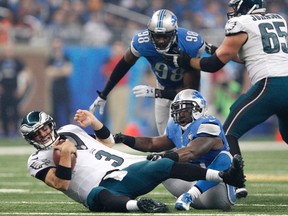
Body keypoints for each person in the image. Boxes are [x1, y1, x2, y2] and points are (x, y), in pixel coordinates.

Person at [163, 0, 288, 199]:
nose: (233, 12)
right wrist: (215, 49)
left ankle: (237, 182)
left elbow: (213, 65)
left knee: (228, 133)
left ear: (248, 6)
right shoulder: (278, 19)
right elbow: (249, 54)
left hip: (269, 85)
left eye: (235, 7)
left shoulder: (242, 23)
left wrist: (185, 61)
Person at [20, 109, 245, 213]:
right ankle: (141, 206)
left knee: (163, 163)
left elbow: (106, 142)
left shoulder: (70, 130)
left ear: (51, 125)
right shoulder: (36, 160)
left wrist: (95, 123)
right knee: (98, 196)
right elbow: (61, 184)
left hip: (126, 168)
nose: (42, 135)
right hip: (101, 187)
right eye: (36, 134)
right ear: (30, 139)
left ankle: (225, 176)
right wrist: (66, 155)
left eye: (44, 129)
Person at [113, 89, 238, 211]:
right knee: (158, 165)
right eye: (178, 109)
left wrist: (164, 157)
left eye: (185, 110)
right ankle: (128, 195)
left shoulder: (208, 124)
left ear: (198, 109)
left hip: (216, 192)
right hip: (190, 184)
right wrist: (125, 139)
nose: (180, 114)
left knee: (225, 157)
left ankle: (189, 196)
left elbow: (192, 152)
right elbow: (152, 144)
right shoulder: (175, 126)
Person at [89, 9, 207, 135]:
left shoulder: (190, 44)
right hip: (163, 84)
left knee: (187, 135)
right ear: (150, 34)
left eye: (165, 36)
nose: (161, 40)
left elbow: (188, 91)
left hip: (184, 89)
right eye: (157, 36)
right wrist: (104, 94)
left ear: (174, 33)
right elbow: (124, 65)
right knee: (165, 135)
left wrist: (155, 92)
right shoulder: (143, 43)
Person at [0, 43, 29, 137]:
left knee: (15, 112)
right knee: (3, 111)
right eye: (7, 50)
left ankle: (16, 132)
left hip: (14, 90)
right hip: (4, 91)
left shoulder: (17, 62)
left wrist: (21, 88)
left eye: (10, 50)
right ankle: (5, 131)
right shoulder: (2, 62)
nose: (8, 52)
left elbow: (25, 74)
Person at [45, 38, 72, 126]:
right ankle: (56, 129)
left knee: (67, 109)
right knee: (54, 110)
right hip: (55, 87)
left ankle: (68, 128)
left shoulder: (66, 57)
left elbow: (68, 71)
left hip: (64, 86)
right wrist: (61, 71)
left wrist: (56, 72)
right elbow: (49, 73)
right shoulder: (50, 59)